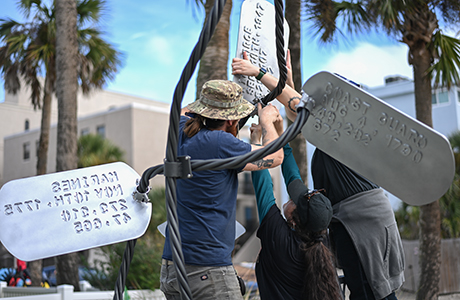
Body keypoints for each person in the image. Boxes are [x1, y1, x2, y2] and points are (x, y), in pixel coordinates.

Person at [232, 53, 405, 300]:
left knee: (374, 293)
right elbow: (299, 121)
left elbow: (301, 110)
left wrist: (257, 72)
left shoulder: (346, 134)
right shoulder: (313, 198)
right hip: (348, 217)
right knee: (363, 290)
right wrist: (282, 132)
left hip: (366, 223)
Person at [160, 79, 285, 300]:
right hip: (207, 269)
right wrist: (268, 122)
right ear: (232, 120)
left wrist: (216, 96)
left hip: (173, 265)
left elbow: (184, 110)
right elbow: (275, 157)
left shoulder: (180, 131)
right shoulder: (219, 143)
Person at [250, 121, 343, 300]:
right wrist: (281, 136)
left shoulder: (280, 240)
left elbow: (263, 185)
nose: (291, 197)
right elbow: (293, 176)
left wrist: (256, 141)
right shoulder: (318, 237)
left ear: (294, 220)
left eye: (295, 201)